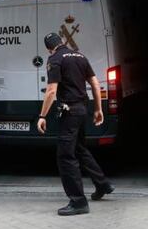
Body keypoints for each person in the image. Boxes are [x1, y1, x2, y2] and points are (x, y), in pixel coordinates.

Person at [37, 33, 115, 215]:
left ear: (49, 48)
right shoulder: (80, 56)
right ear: (61, 42)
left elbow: (51, 91)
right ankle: (102, 184)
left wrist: (42, 116)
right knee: (80, 149)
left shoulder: (54, 59)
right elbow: (95, 84)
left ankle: (78, 201)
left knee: (65, 156)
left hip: (69, 112)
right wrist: (98, 109)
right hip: (82, 110)